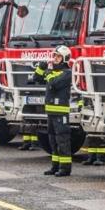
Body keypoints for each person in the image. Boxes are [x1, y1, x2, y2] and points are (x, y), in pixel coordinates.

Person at [34, 45, 73, 176]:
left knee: (63, 140)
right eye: (54, 56)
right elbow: (36, 79)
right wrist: (41, 68)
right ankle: (55, 166)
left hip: (60, 112)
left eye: (58, 57)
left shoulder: (67, 73)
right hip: (50, 112)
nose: (55, 59)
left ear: (65, 58)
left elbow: (53, 84)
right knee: (52, 140)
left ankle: (65, 168)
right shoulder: (52, 72)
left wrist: (48, 73)